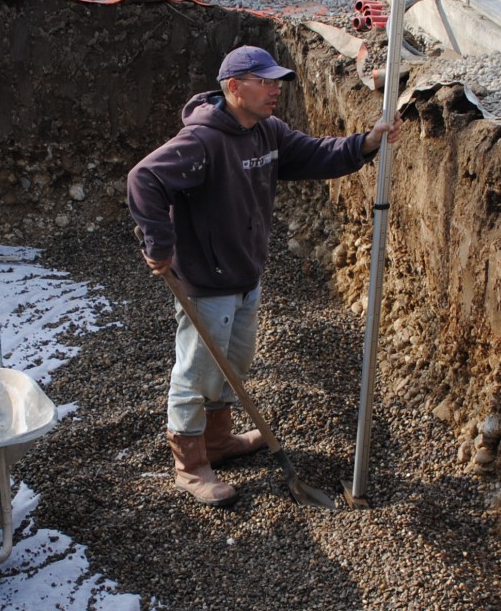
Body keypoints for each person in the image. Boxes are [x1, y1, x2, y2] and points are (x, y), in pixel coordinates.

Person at [127, 44, 394, 505]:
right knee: (195, 371)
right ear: (234, 88)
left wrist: (365, 144)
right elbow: (144, 179)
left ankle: (219, 441)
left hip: (245, 273)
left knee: (234, 365)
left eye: (277, 82)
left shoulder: (266, 132)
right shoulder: (202, 142)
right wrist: (160, 245)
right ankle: (190, 465)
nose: (275, 90)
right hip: (206, 280)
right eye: (265, 82)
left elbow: (313, 154)